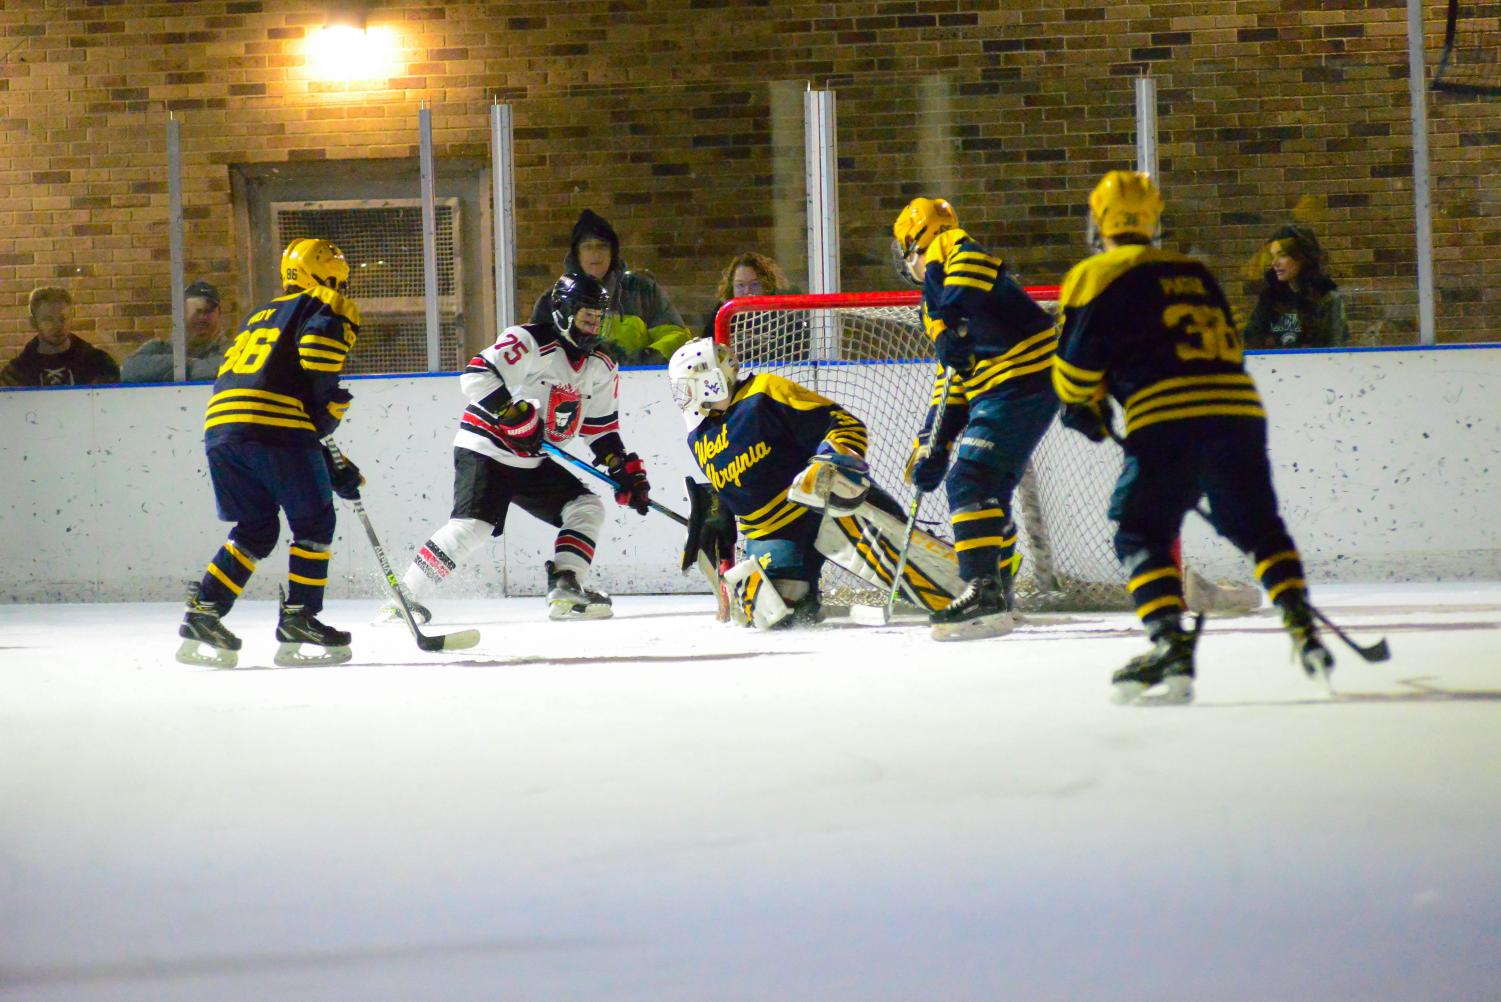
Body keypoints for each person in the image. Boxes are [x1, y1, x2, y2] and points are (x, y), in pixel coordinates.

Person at [1051, 170, 1333, 705]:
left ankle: (1169, 646)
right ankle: (1302, 625)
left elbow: (1074, 371)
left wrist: (1084, 407)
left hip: (1166, 418)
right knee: (1258, 528)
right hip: (1238, 412)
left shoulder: (1096, 274)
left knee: (1141, 532)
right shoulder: (1195, 272)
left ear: (1099, 221)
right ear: (1152, 220)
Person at [392, 272, 652, 623]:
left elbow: (599, 429)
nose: (593, 325)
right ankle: (404, 598)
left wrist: (620, 465)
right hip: (487, 449)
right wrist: (512, 414)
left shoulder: (602, 366)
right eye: (586, 315)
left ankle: (566, 583)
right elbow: (476, 375)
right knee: (473, 528)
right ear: (563, 312)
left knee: (586, 508)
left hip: (531, 461)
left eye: (598, 318)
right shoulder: (530, 341)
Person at [669, 337, 964, 631]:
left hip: (826, 507)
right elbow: (741, 485)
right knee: (776, 613)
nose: (683, 397)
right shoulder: (699, 435)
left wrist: (829, 461)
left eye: (686, 386)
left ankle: (979, 576)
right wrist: (718, 512)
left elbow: (844, 425)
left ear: (712, 379)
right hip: (773, 533)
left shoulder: (765, 392)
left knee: (943, 588)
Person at [175, 238, 362, 669]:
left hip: (222, 429)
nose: (342, 285)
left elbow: (277, 381)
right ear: (326, 275)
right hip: (272, 425)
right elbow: (316, 365)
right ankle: (301, 617)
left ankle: (204, 612)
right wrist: (328, 413)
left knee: (257, 529)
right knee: (315, 521)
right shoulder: (325, 303)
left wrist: (326, 455)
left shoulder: (261, 315)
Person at [890, 197, 1059, 641]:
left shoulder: (957, 252)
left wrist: (951, 316)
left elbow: (970, 274)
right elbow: (953, 383)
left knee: (971, 480)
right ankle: (997, 593)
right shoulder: (936, 293)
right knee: (987, 489)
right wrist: (930, 447)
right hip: (1004, 390)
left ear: (915, 242)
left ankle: (982, 593)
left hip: (1022, 383)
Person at [529, 208, 692, 366]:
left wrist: (643, 361)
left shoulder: (642, 291)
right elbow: (536, 350)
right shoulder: (553, 301)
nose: (596, 254)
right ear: (576, 254)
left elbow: (676, 335)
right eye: (587, 246)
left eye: (602, 246)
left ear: (612, 252)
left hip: (639, 385)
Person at [1241, 224, 1348, 349]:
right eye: (1273, 256)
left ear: (1301, 257)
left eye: (1282, 255)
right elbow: (1252, 340)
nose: (1274, 263)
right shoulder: (1270, 298)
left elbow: (1335, 347)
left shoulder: (1327, 297)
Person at [1, 286, 120, 387]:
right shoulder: (16, 373)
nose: (58, 326)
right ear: (33, 322)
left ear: (71, 318)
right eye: (48, 320)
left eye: (63, 318)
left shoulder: (99, 364)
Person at [122, 280, 232, 382]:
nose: (202, 317)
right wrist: (186, 365)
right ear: (180, 315)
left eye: (209, 311)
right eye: (196, 311)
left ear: (219, 314)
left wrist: (180, 368)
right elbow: (128, 370)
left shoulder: (234, 350)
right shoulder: (160, 348)